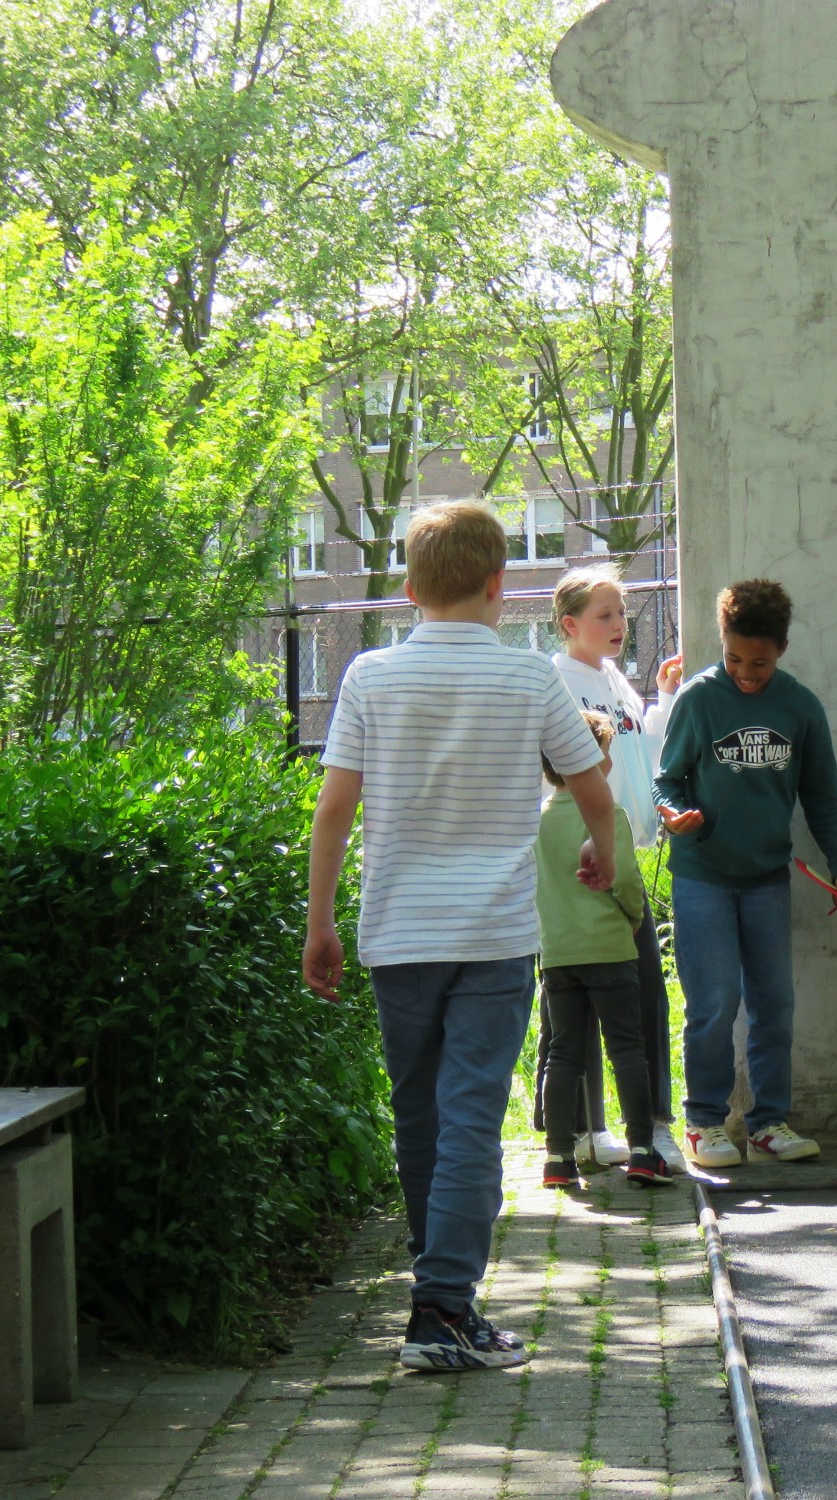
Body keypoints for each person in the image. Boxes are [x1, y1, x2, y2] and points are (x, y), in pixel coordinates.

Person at [303, 500, 616, 1372]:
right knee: (472, 1116)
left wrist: (320, 920)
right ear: (498, 587)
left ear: (406, 589)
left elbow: (335, 808)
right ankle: (442, 1309)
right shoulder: (528, 680)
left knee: (420, 1117)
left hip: (398, 934)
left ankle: (439, 1295)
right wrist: (605, 856)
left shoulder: (370, 676)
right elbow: (594, 786)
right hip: (492, 936)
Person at [654, 579, 837, 1167]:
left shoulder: (799, 707)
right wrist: (672, 815)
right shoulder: (698, 699)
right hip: (703, 877)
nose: (746, 673)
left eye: (760, 662)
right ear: (722, 644)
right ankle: (705, 1124)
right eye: (734, 659)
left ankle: (769, 1121)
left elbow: (822, 801)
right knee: (714, 1000)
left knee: (774, 1002)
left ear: (783, 650)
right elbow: (666, 780)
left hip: (767, 876)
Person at [533, 565, 684, 1169]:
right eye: (605, 615)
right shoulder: (554, 681)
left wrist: (666, 697)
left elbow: (639, 746)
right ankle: (589, 1130)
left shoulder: (614, 677)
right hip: (578, 850)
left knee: (634, 990)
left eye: (622, 613)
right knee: (577, 998)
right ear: (570, 625)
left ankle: (640, 1126)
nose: (620, 624)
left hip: (619, 845)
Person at [536, 709, 672, 1193]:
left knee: (563, 1053)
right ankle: (641, 1151)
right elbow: (627, 884)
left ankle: (557, 1156)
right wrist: (634, 919)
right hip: (610, 949)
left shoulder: (539, 821)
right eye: (606, 756)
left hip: (558, 952)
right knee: (627, 1049)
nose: (610, 765)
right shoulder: (608, 816)